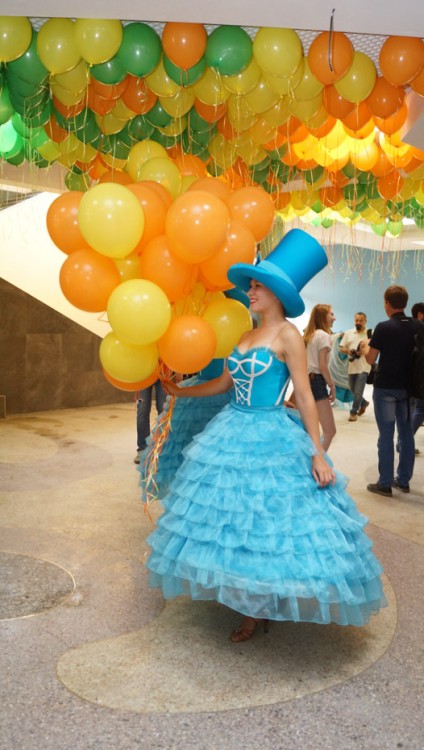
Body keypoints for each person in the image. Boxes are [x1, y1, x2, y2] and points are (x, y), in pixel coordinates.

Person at [145, 229, 387, 642]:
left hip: (271, 431)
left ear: (277, 293)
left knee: (267, 520)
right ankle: (244, 596)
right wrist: (181, 391)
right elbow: (224, 383)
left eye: (258, 286)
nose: (251, 292)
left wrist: (316, 452)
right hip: (232, 429)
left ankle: (256, 609)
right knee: (233, 518)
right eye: (251, 286)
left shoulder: (288, 334)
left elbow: (305, 396)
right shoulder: (244, 336)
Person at [138, 359, 231, 498]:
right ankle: (189, 487)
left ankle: (211, 488)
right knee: (190, 441)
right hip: (203, 387)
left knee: (217, 447)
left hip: (226, 392)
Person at [362, 285, 420, 497]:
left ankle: (385, 483)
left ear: (387, 303)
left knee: (386, 435)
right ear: (405, 303)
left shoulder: (383, 327)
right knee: (406, 434)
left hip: (386, 387)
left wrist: (365, 346)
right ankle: (403, 481)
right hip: (409, 388)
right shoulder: (418, 326)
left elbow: (370, 359)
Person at [303, 304, 337, 451]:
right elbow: (322, 366)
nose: (334, 318)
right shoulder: (323, 336)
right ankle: (319, 461)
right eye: (331, 314)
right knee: (329, 431)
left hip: (306, 381)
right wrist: (332, 385)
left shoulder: (308, 335)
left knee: (310, 430)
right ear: (323, 316)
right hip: (317, 382)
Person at [339, 312, 372, 422]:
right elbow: (341, 348)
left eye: (361, 320)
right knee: (352, 389)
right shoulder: (349, 333)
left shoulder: (370, 333)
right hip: (352, 366)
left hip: (364, 366)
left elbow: (374, 349)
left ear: (365, 321)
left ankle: (353, 412)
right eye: (357, 320)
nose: (358, 322)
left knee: (358, 391)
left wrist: (364, 351)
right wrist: (349, 351)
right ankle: (364, 403)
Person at [134, 380, 166, 464]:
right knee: (142, 409)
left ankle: (162, 447)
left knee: (163, 409)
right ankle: (143, 448)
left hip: (163, 373)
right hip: (143, 375)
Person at [410, 302, 424, 452]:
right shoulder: (419, 331)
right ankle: (404, 443)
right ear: (420, 314)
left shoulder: (409, 329)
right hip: (420, 379)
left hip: (415, 379)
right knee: (420, 410)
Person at [329, 332, 354, 408]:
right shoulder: (341, 342)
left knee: (342, 389)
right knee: (348, 389)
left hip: (340, 371)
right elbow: (342, 355)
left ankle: (341, 404)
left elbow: (341, 355)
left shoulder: (337, 341)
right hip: (344, 371)